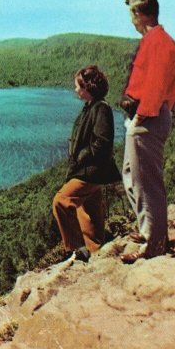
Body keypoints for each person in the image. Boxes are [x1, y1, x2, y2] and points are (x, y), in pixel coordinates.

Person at [119, 0, 175, 264]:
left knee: (147, 182)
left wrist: (141, 117)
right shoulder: (159, 41)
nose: (131, 22)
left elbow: (156, 85)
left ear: (140, 14)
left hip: (148, 117)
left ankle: (153, 244)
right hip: (154, 114)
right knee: (131, 175)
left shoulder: (157, 42)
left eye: (132, 16)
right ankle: (149, 228)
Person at [53, 65, 121, 262]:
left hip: (91, 172)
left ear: (87, 87)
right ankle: (96, 253)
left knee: (61, 201)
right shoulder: (92, 106)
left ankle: (78, 249)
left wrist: (82, 155)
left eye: (77, 86)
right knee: (89, 217)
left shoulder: (101, 109)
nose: (75, 90)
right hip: (90, 172)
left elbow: (103, 142)